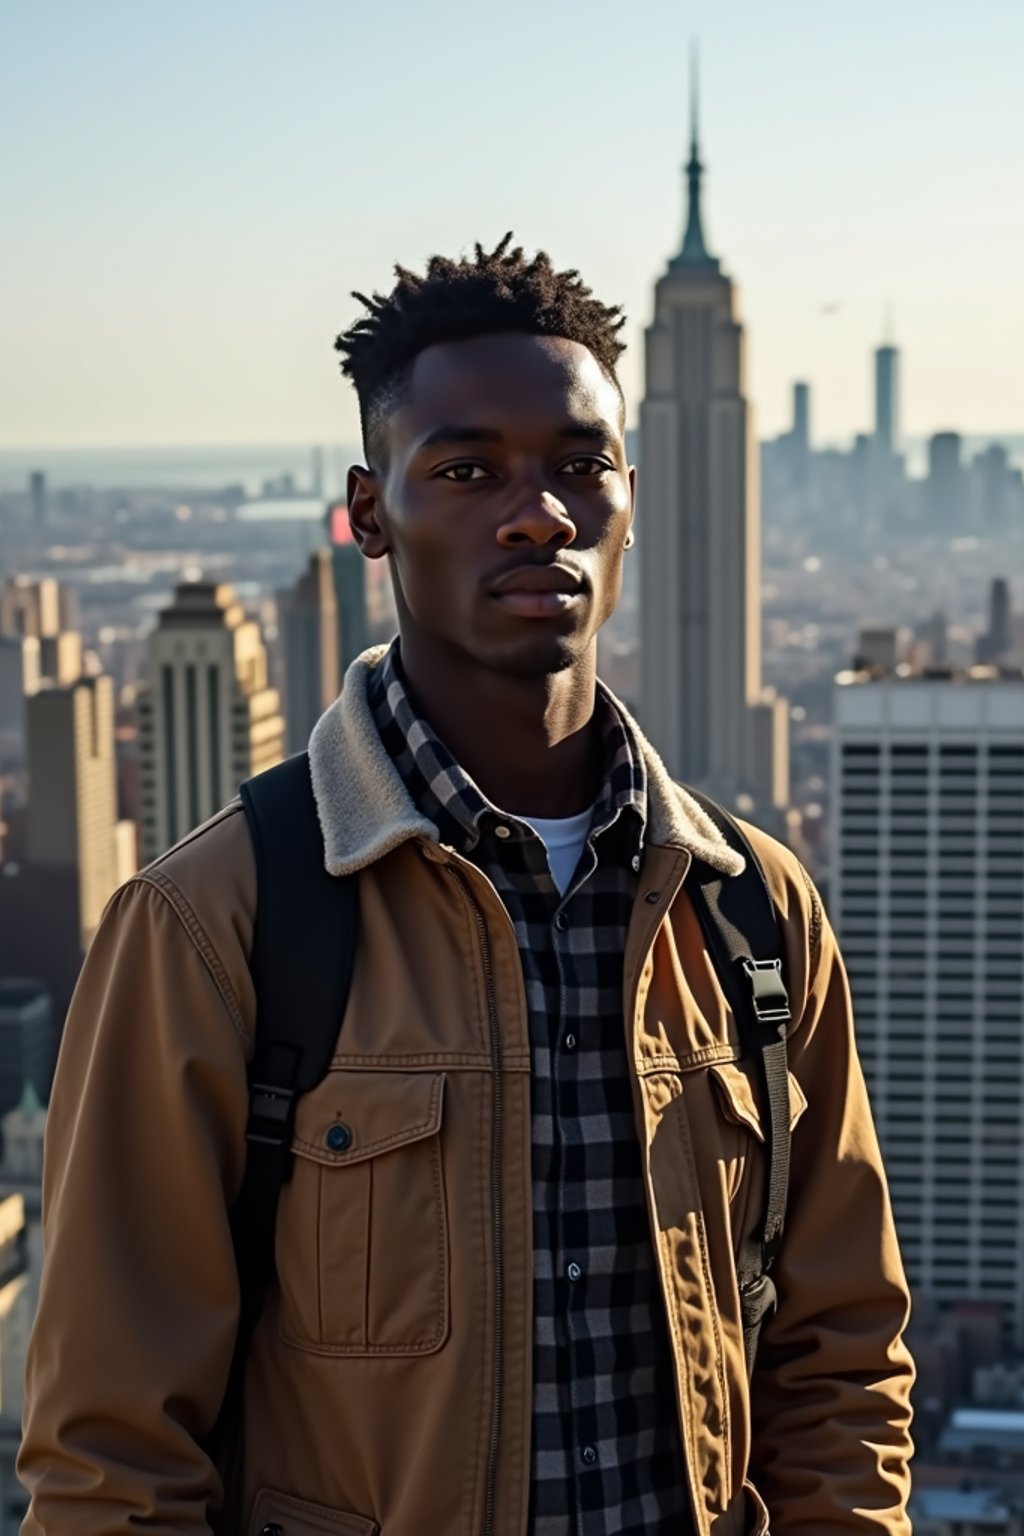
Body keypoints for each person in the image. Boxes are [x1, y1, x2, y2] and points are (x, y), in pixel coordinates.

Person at [19, 236, 914, 1536]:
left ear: (627, 496)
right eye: (467, 468)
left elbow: (841, 1366)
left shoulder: (753, 913)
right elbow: (110, 1456)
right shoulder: (218, 925)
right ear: (368, 513)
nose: (537, 509)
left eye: (578, 464)